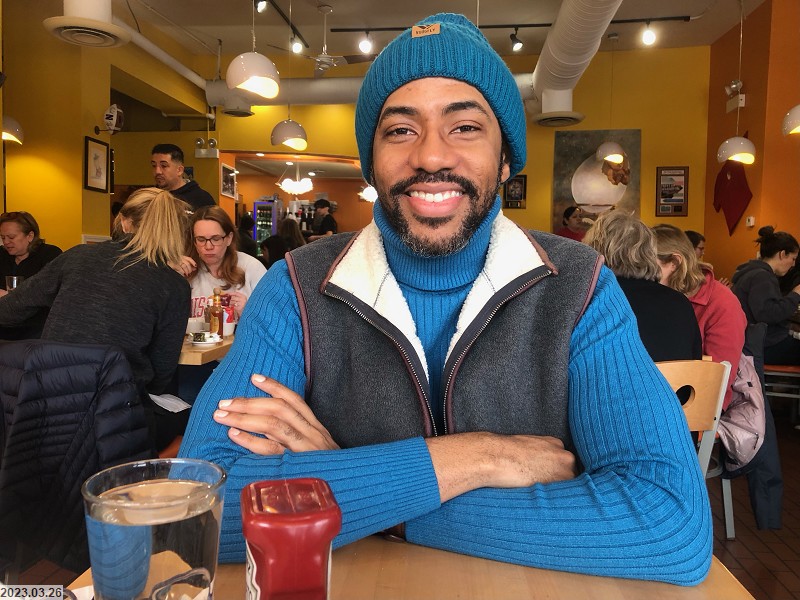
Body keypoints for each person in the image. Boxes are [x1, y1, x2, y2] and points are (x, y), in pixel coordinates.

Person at [180, 13, 711, 585]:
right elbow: (196, 506)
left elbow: (670, 524)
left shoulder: (579, 287)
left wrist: (362, 489)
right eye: (400, 130)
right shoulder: (295, 287)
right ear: (371, 162)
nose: (431, 156)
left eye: (465, 127)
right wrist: (480, 457)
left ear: (505, 160)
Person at [0, 188, 191, 450]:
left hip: (44, 406)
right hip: (116, 418)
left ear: (125, 223)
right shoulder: (174, 285)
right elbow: (161, 373)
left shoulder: (77, 256)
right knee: (190, 421)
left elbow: (8, 311)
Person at [584, 211, 702, 363]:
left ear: (595, 252)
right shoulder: (680, 302)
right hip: (675, 380)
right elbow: (695, 362)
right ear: (649, 252)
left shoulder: (594, 301)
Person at [653, 224, 746, 410]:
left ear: (675, 262)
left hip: (697, 408)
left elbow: (716, 383)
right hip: (662, 398)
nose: (643, 275)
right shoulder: (660, 295)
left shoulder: (723, 303)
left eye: (649, 267)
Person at [731, 226, 800, 365]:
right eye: (793, 259)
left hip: (750, 341)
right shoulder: (762, 277)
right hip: (762, 345)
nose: (793, 264)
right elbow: (768, 314)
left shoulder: (750, 272)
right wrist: (796, 294)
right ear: (782, 254)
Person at [182, 205, 266, 320]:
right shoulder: (186, 270)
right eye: (201, 240)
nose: (208, 246)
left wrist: (247, 313)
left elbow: (273, 322)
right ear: (194, 242)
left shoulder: (251, 268)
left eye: (216, 239)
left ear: (229, 238)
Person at [0, 211, 62, 339]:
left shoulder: (49, 255)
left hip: (35, 329)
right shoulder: (1, 255)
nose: (6, 242)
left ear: (30, 236)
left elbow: (50, 293)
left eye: (11, 237)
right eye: (3, 237)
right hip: (4, 325)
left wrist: (12, 297)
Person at [151, 143, 215, 211]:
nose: (157, 171)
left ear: (179, 170)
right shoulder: (150, 197)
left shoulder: (201, 199)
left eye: (164, 166)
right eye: (154, 166)